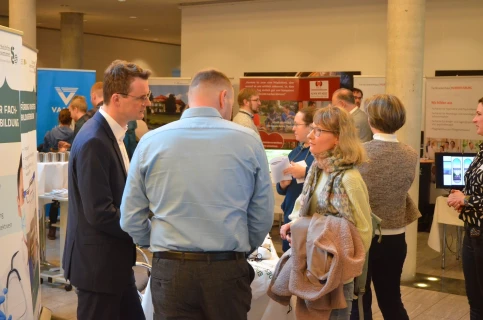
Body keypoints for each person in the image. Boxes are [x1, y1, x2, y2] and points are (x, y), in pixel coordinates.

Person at [120, 69, 274, 320]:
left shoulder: (150, 141)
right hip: (227, 269)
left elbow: (130, 216)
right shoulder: (248, 140)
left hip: (170, 270)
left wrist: (156, 242)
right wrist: (242, 249)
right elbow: (262, 215)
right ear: (224, 97)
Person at [63, 60, 151, 320]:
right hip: (98, 268)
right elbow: (100, 212)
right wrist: (146, 229)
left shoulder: (113, 133)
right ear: (117, 98)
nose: (147, 102)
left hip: (114, 264)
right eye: (142, 97)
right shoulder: (94, 141)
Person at [280, 105, 372, 319]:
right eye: (312, 129)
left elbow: (363, 233)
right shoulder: (317, 169)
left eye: (318, 131)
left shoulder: (349, 179)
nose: (311, 136)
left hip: (335, 277)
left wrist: (341, 269)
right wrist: (295, 224)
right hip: (311, 267)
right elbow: (306, 206)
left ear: (338, 138)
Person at [350, 94, 420, 320]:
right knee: (391, 299)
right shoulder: (410, 154)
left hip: (363, 237)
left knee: (360, 300)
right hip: (395, 237)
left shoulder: (359, 153)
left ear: (371, 120)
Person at [447, 97, 483, 319]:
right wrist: (460, 197)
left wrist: (467, 199)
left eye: (479, 114)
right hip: (472, 231)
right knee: (475, 299)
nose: (474, 119)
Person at [277, 106, 315, 252]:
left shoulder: (319, 154)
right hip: (289, 216)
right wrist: (283, 185)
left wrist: (305, 172)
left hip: (307, 221)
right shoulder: (294, 152)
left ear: (311, 127)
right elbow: (281, 189)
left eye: (297, 124)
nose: (293, 128)